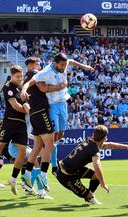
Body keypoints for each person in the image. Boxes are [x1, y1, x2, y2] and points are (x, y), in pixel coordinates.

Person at [24, 53, 94, 182]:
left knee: (60, 135)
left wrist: (85, 66)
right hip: (52, 106)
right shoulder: (46, 71)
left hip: (63, 104)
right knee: (51, 140)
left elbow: (71, 61)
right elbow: (32, 81)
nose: (64, 67)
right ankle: (49, 165)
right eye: (61, 65)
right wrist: (23, 90)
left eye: (64, 64)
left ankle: (46, 157)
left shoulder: (64, 64)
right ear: (55, 63)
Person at [56, 125, 128, 205]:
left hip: (73, 169)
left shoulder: (89, 140)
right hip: (66, 176)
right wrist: (103, 183)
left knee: (96, 176)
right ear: (103, 138)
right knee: (93, 185)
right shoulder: (94, 150)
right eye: (105, 137)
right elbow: (97, 166)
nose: (106, 139)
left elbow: (109, 145)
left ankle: (89, 195)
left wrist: (126, 146)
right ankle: (89, 196)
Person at [0, 65, 30, 195]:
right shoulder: (8, 86)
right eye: (17, 76)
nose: (20, 79)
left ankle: (13, 178)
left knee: (23, 151)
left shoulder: (22, 87)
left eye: (21, 76)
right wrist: (26, 108)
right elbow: (15, 106)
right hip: (9, 122)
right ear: (11, 75)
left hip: (21, 124)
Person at [20, 57, 65, 192]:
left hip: (34, 113)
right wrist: (60, 86)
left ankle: (27, 174)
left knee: (38, 146)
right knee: (50, 145)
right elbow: (43, 87)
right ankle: (43, 175)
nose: (40, 66)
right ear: (33, 65)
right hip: (41, 111)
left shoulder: (26, 77)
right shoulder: (35, 74)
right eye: (38, 63)